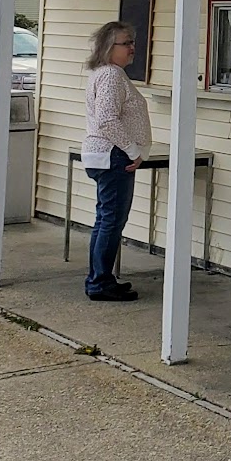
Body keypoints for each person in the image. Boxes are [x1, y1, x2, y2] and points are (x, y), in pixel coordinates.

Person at [81, 21, 151, 301]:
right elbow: (107, 119)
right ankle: (99, 283)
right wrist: (133, 150)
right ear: (109, 47)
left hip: (106, 154)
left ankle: (101, 277)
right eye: (126, 43)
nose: (132, 47)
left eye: (132, 41)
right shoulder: (110, 75)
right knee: (111, 221)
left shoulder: (108, 74)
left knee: (105, 220)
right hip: (114, 155)